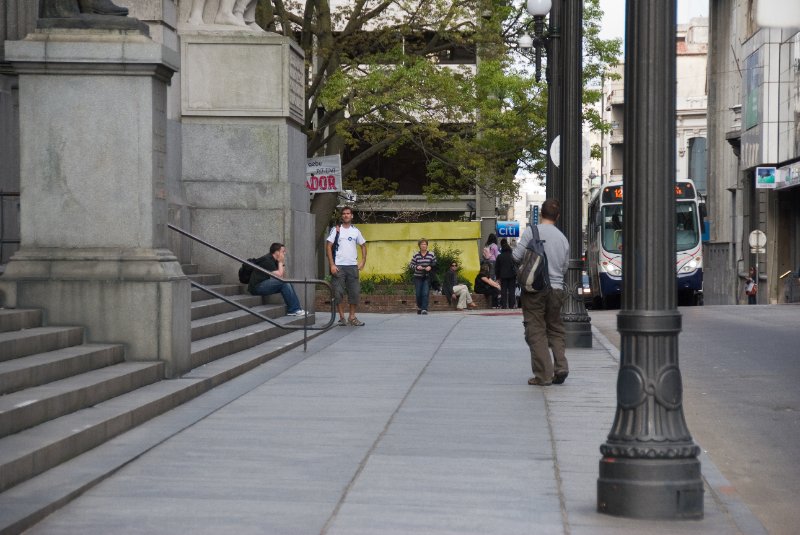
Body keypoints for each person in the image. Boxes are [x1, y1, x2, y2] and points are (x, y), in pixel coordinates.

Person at [513, 198, 569, 386]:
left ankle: (544, 375)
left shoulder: (532, 232)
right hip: (557, 289)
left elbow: (516, 256)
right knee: (555, 328)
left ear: (541, 214)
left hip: (535, 290)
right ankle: (561, 366)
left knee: (535, 329)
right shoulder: (563, 239)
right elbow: (564, 267)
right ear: (557, 216)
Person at [326, 206, 367, 326]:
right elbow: (328, 246)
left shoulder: (355, 231)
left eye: (348, 213)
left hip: (352, 266)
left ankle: (352, 317)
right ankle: (341, 317)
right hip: (339, 266)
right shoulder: (336, 229)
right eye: (344, 213)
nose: (346, 215)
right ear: (342, 216)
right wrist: (332, 264)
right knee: (338, 292)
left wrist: (363, 261)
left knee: (354, 292)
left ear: (352, 215)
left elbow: (363, 245)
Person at [247, 243, 306, 316]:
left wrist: (281, 262)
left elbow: (282, 276)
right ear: (277, 252)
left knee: (286, 283)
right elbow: (280, 275)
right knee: (284, 282)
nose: (284, 253)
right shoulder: (267, 260)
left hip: (263, 284)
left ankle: (296, 309)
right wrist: (281, 262)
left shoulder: (274, 260)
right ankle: (294, 310)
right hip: (256, 287)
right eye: (283, 251)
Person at [409, 238, 437, 315]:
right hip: (417, 277)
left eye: (425, 244)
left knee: (425, 293)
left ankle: (424, 309)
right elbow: (411, 265)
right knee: (418, 293)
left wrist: (430, 267)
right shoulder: (416, 255)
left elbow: (435, 263)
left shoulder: (431, 254)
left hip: (427, 277)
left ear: (427, 245)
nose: (424, 245)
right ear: (419, 246)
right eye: (422, 244)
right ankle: (419, 307)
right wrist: (416, 267)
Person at [494, 238, 517, 309]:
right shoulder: (512, 256)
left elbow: (497, 268)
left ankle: (504, 305)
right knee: (512, 291)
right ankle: (511, 305)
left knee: (503, 291)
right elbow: (516, 265)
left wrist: (497, 277)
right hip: (512, 275)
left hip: (503, 276)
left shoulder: (499, 256)